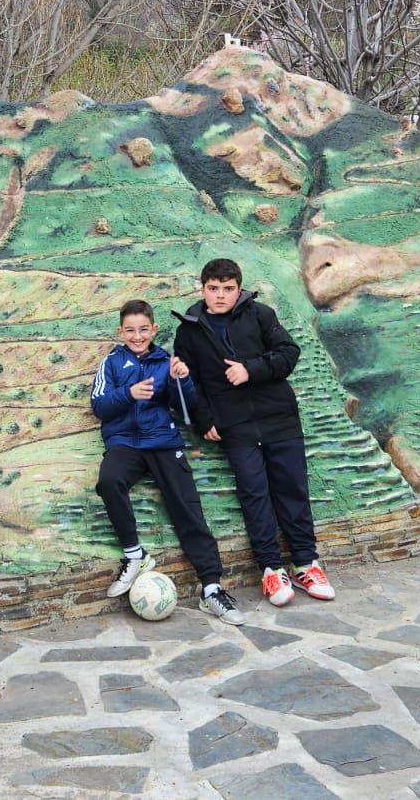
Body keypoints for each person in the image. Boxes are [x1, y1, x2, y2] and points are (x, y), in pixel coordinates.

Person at [172, 258, 335, 607]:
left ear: (238, 289)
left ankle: (307, 563)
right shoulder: (189, 329)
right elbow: (192, 383)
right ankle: (272, 570)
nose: (220, 295)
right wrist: (205, 421)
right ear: (202, 289)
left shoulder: (260, 314)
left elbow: (289, 353)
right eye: (213, 288)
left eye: (227, 289)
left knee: (292, 490)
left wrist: (250, 370)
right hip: (236, 426)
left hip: (279, 417)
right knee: (254, 494)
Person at [91, 300, 246, 625]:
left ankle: (212, 588)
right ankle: (135, 556)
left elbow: (184, 407)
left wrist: (183, 379)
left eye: (143, 329)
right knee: (109, 481)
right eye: (130, 330)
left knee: (187, 508)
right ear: (120, 331)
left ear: (154, 329)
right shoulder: (111, 362)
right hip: (125, 444)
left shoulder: (166, 362)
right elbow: (100, 406)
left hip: (163, 442)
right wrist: (129, 394)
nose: (137, 336)